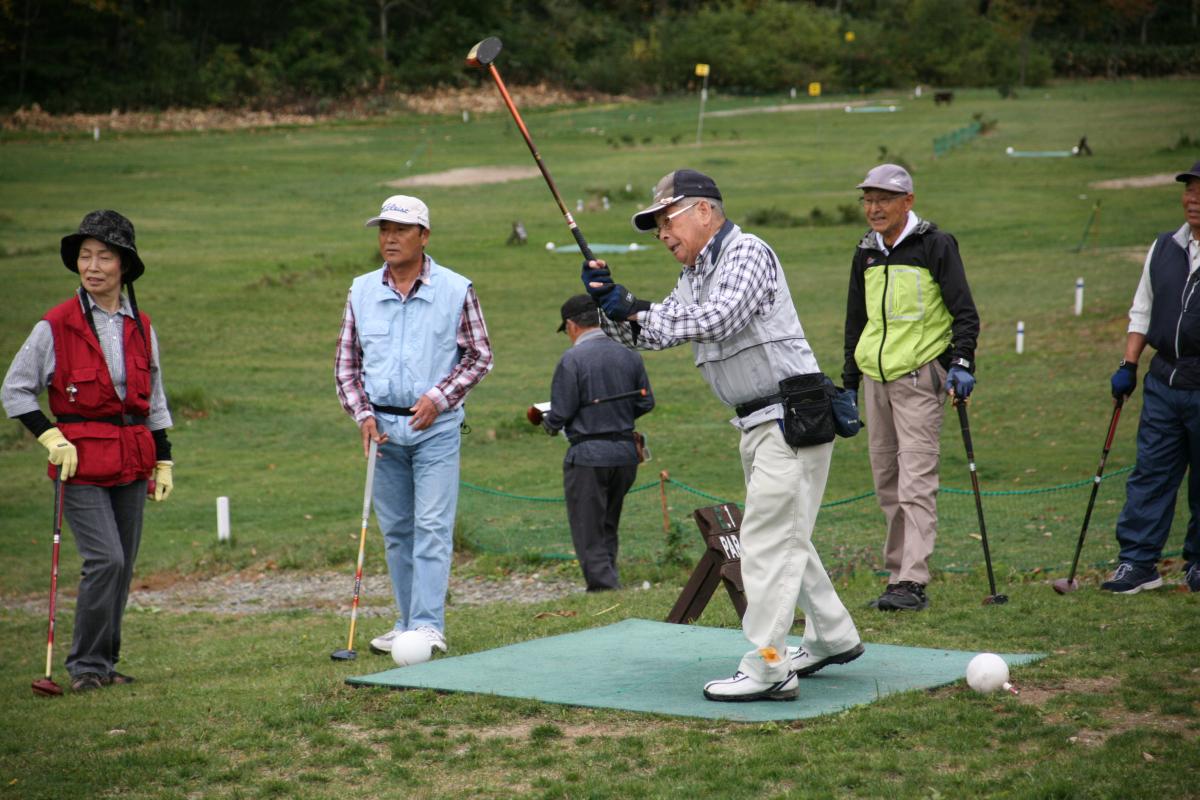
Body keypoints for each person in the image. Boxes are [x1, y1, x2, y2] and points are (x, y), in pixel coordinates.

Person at [582, 169, 863, 702]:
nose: (663, 233)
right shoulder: (695, 273)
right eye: (656, 225)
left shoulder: (747, 253)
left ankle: (768, 666)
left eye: (668, 219)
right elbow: (662, 329)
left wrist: (635, 304)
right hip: (758, 420)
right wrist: (609, 305)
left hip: (790, 414)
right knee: (786, 535)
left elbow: (717, 318)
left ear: (705, 211)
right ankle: (832, 635)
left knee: (765, 541)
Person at [2, 210, 175, 692]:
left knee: (125, 563)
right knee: (107, 561)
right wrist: (50, 436)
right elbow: (15, 389)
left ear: (124, 266)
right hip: (78, 461)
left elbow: (153, 397)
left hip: (132, 457)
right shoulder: (54, 325)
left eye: (104, 256)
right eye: (85, 256)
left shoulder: (141, 324)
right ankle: (84, 666)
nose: (93, 266)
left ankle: (104, 663)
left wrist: (164, 458)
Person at [334, 194, 494, 656]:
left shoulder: (456, 288)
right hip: (381, 429)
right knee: (398, 530)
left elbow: (480, 356)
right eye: (384, 229)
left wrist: (438, 398)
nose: (389, 238)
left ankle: (427, 625)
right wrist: (362, 414)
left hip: (436, 430)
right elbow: (347, 364)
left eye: (401, 230)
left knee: (431, 526)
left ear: (423, 236)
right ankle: (406, 621)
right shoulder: (361, 290)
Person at [842, 164, 980, 612]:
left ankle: (912, 580)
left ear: (908, 202)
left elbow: (965, 313)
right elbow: (856, 322)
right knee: (886, 479)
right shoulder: (865, 253)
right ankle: (897, 574)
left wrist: (960, 362)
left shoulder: (935, 245)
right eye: (868, 199)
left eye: (884, 199)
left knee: (915, 480)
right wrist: (848, 383)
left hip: (920, 376)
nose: (874, 208)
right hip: (874, 380)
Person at [1105, 161, 1200, 595]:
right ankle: (1138, 563)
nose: (1193, 198)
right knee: (1151, 472)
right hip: (1164, 380)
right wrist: (1129, 364)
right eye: (1189, 190)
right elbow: (1142, 309)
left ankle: (1196, 564)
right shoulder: (1164, 246)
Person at [538, 294, 655, 591]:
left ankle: (603, 588)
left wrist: (546, 423)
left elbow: (561, 412)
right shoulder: (629, 353)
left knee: (588, 527)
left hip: (588, 455)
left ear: (571, 325)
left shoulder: (572, 359)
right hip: (626, 454)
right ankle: (608, 575)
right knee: (608, 522)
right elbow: (646, 403)